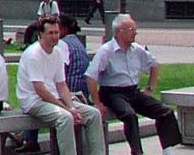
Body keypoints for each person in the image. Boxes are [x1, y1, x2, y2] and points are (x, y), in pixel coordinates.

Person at [86, 14, 183, 155]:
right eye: (132, 29)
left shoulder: (137, 49)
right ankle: (137, 152)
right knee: (130, 115)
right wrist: (98, 103)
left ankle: (167, 148)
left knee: (165, 111)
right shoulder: (106, 51)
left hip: (132, 91)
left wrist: (150, 88)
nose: (135, 33)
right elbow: (90, 76)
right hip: (112, 93)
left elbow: (154, 65)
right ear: (119, 32)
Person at [17, 18, 105, 155]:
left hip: (54, 98)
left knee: (93, 114)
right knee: (65, 118)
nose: (54, 36)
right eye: (50, 33)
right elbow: (40, 90)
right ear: (40, 34)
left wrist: (71, 107)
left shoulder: (57, 52)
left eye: (56, 32)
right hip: (33, 101)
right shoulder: (33, 54)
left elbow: (61, 84)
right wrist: (66, 109)